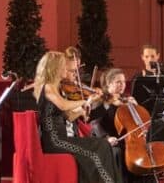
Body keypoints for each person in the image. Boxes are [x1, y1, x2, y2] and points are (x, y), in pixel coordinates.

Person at [34, 51, 123, 183]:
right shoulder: (48, 87)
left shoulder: (57, 88)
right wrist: (84, 101)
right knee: (97, 150)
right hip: (55, 141)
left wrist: (81, 111)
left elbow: (68, 116)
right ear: (55, 68)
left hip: (62, 139)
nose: (66, 69)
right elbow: (63, 105)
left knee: (104, 145)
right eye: (63, 66)